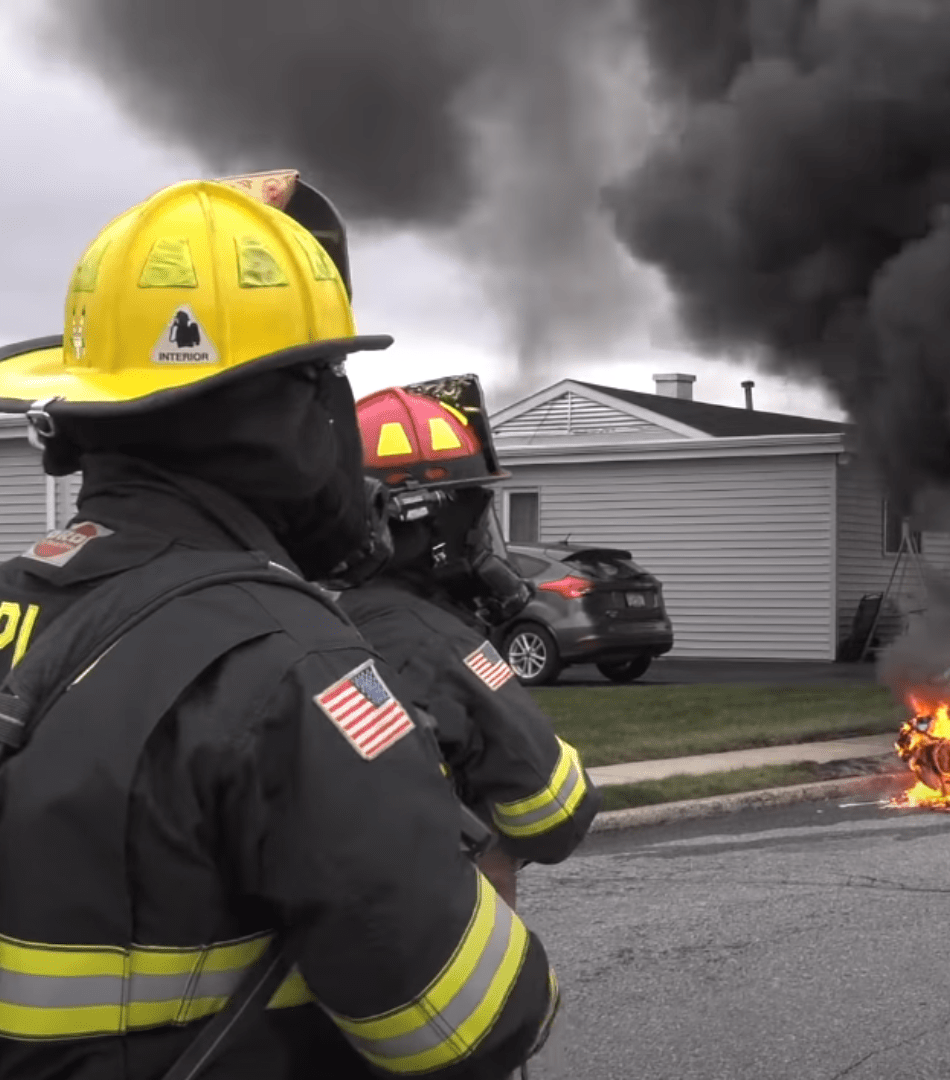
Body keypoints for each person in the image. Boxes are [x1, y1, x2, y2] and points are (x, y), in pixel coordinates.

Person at [0, 174, 560, 1079]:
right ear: (293, 419)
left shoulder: (23, 597)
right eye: (328, 384)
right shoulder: (289, 659)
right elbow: (468, 1024)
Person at [335, 376, 601, 907]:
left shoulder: (317, 622)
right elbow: (556, 815)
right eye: (474, 512)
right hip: (438, 941)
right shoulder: (443, 648)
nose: (482, 534)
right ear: (430, 524)